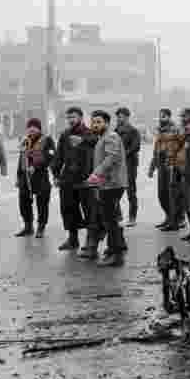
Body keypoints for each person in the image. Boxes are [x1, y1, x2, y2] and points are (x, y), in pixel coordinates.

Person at [81, 110, 129, 266]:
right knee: (110, 218)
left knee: (110, 221)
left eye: (99, 122)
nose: (95, 125)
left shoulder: (111, 136)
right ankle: (115, 249)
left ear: (107, 123)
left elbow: (111, 158)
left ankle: (116, 255)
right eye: (93, 122)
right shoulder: (103, 137)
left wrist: (96, 175)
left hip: (112, 184)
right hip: (107, 184)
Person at [51, 107, 98, 251]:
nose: (71, 120)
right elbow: (58, 156)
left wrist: (82, 140)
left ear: (81, 117)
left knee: (89, 210)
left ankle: (91, 240)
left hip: (86, 178)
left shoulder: (89, 133)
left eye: (73, 117)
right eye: (69, 117)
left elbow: (94, 141)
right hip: (68, 178)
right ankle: (73, 239)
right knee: (68, 209)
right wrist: (56, 174)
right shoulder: (65, 135)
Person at [14, 118, 56, 238]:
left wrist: (36, 166)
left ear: (39, 129)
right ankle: (28, 226)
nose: (31, 130)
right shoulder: (24, 141)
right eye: (29, 128)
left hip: (40, 175)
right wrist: (18, 176)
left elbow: (50, 156)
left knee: (42, 202)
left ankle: (41, 227)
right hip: (25, 177)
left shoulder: (47, 140)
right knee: (23, 202)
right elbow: (21, 159)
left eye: (34, 128)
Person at [148, 108, 178, 229]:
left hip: (171, 167)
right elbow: (156, 150)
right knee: (162, 195)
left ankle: (174, 221)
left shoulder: (175, 129)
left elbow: (177, 149)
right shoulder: (160, 131)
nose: (161, 119)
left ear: (169, 117)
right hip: (161, 166)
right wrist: (152, 168)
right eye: (160, 116)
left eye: (164, 116)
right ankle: (168, 218)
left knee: (172, 196)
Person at [114, 107, 141, 227]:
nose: (119, 118)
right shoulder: (115, 131)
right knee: (114, 192)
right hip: (117, 166)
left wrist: (123, 154)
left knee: (131, 192)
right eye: (118, 116)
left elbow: (136, 147)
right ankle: (118, 216)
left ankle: (132, 217)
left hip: (130, 165)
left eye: (121, 116)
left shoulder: (133, 131)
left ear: (127, 117)